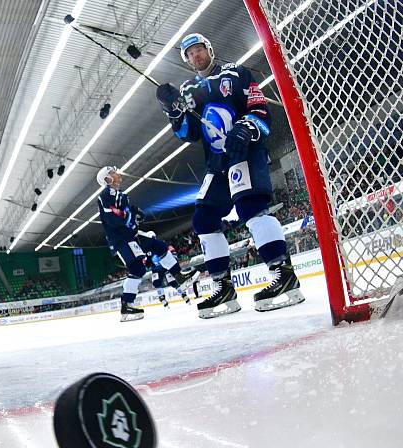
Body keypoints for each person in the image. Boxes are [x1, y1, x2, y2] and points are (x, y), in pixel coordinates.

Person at [155, 33, 305, 318]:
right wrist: (173, 111)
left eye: (199, 49)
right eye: (190, 54)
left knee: (251, 208)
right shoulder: (189, 89)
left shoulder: (236, 72)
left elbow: (259, 108)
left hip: (243, 152)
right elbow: (187, 133)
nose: (195, 56)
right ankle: (223, 286)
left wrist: (247, 127)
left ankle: (283, 273)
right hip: (216, 163)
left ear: (209, 49)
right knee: (203, 219)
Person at [96, 165, 197, 321]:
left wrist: (134, 213)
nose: (117, 173)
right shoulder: (107, 194)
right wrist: (132, 216)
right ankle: (126, 306)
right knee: (137, 268)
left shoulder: (119, 195)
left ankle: (179, 277)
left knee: (160, 246)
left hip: (131, 235)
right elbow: (115, 219)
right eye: (113, 172)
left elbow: (126, 213)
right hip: (122, 238)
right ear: (107, 179)